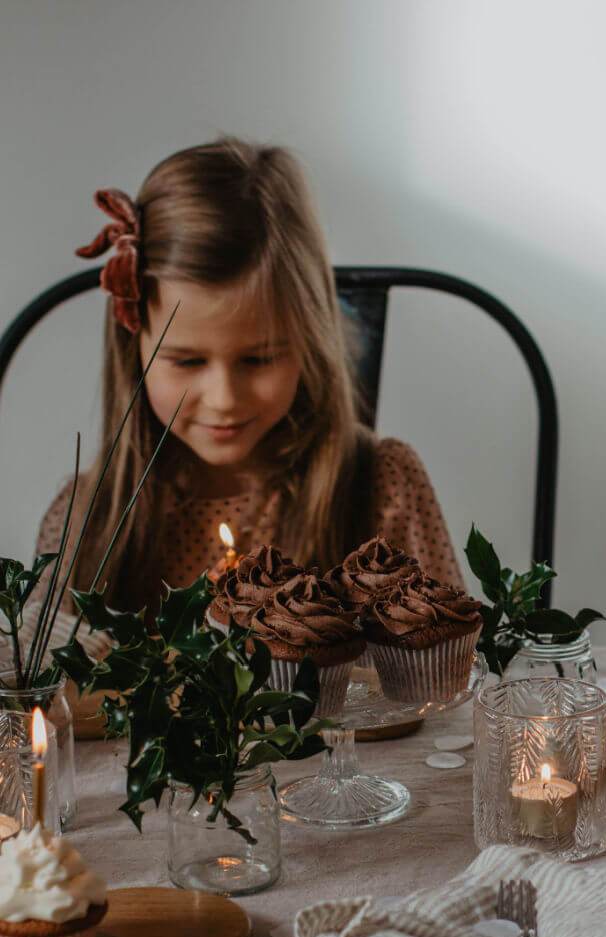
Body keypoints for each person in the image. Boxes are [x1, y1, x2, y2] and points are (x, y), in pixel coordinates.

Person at [34, 137, 463, 630]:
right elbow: (48, 693)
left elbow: (448, 675)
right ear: (135, 353)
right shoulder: (85, 519)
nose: (224, 400)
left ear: (309, 341)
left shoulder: (382, 487)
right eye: (187, 360)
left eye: (259, 359)